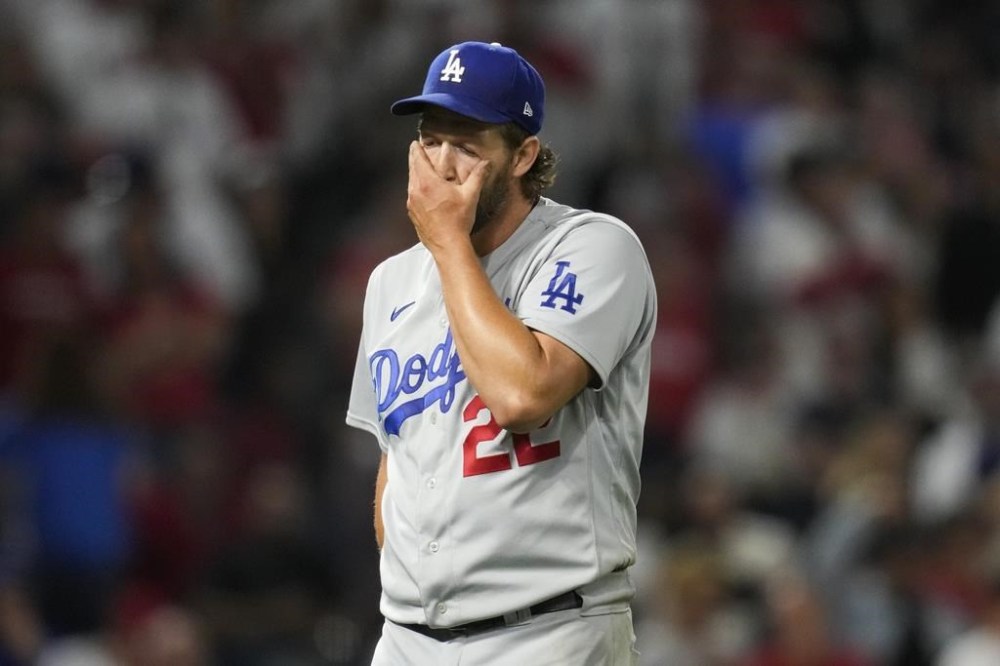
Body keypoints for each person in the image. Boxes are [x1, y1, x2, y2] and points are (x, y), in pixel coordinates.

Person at [345, 41, 657, 664]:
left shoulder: (593, 248)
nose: (441, 163)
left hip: (549, 630)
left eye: (466, 145)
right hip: (408, 637)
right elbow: (396, 455)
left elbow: (523, 396)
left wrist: (448, 245)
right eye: (431, 139)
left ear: (523, 156)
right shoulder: (390, 283)